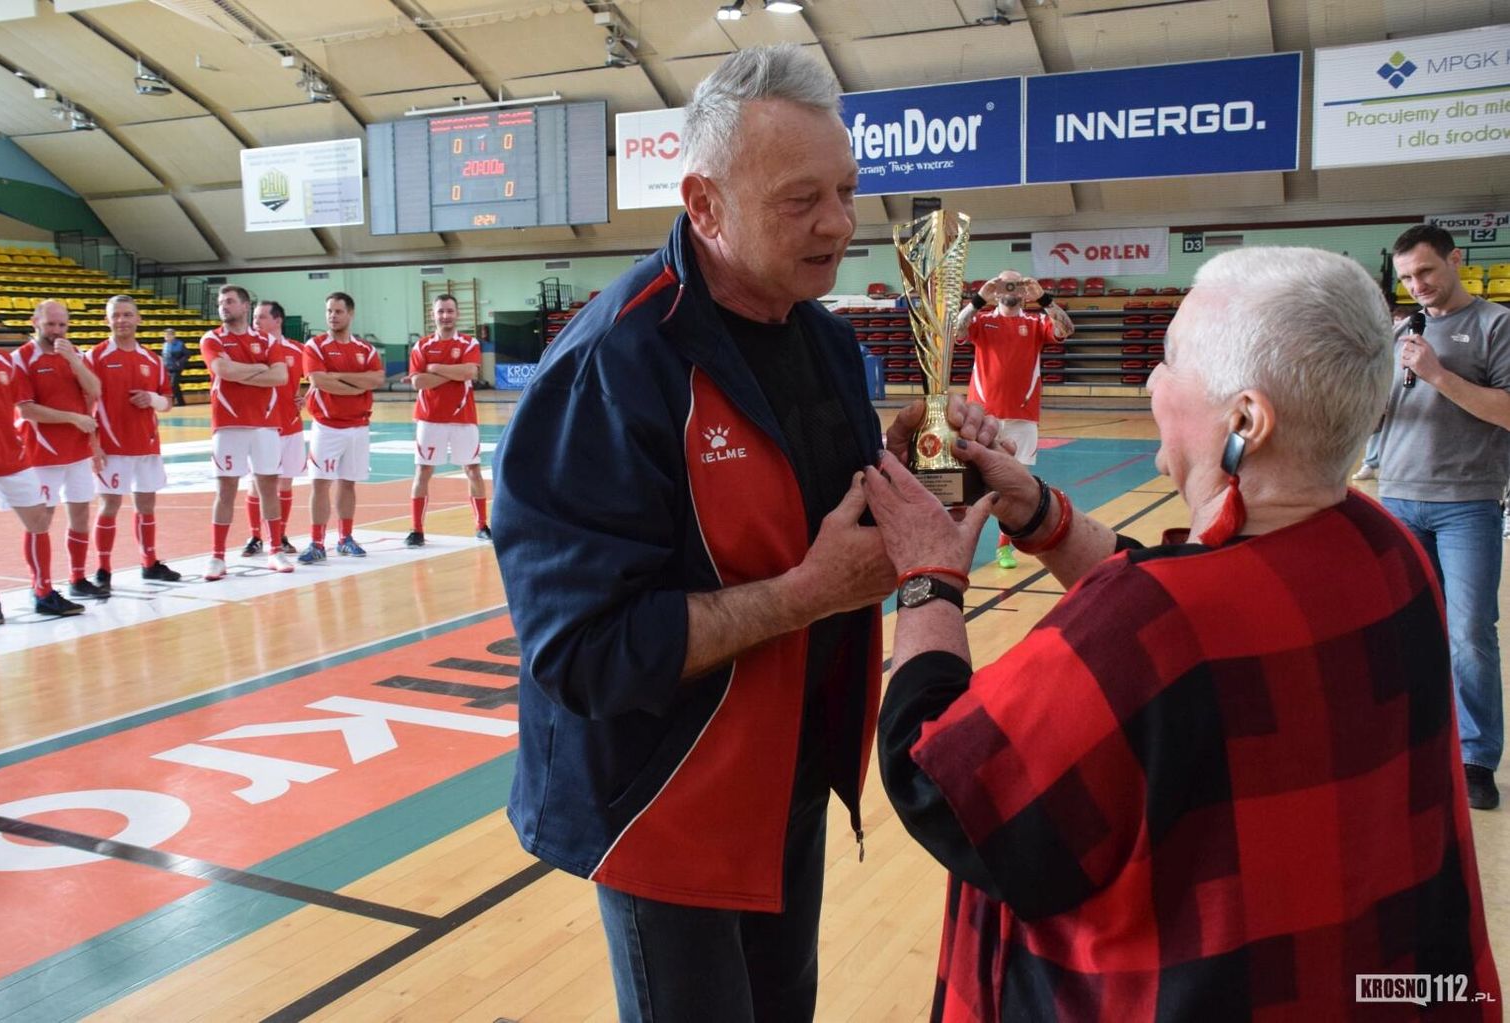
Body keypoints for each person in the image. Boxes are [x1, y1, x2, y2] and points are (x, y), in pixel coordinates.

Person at [492, 45, 999, 1021]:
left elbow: (824, 515)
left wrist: (911, 457)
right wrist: (807, 596)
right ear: (705, 203)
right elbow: (582, 653)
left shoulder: (826, 340)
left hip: (788, 781)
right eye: (801, 199)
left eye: (846, 192)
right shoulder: (609, 370)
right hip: (664, 801)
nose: (839, 224)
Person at [868, 247, 1500, 1020]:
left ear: (1245, 421)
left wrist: (928, 575)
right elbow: (1204, 599)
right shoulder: (1385, 545)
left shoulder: (1153, 625)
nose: (1150, 382)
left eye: (1169, 359)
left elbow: (936, 779)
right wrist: (1038, 510)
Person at [1380, 223, 1510, 811]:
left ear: (1455, 260)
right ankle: (1416, 738)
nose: (1417, 285)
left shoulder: (1495, 325)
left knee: (1470, 634)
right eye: (1407, 277)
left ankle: (1476, 756)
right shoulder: (1402, 330)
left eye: (1426, 271)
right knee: (1408, 629)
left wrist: (1438, 374)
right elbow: (1384, 411)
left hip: (1466, 503)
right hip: (1398, 497)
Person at [955, 270, 1073, 568]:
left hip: (1022, 418)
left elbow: (1067, 329)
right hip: (982, 416)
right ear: (995, 290)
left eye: (1017, 285)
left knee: (1015, 488)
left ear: (1024, 292)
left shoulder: (1036, 323)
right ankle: (956, 541)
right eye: (1004, 284)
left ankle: (1004, 547)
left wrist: (1043, 299)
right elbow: (955, 331)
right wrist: (978, 299)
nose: (1010, 289)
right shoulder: (982, 320)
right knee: (969, 483)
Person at [0, 296, 82, 621]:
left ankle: (43, 591)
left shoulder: (3, 361)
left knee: (39, 522)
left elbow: (16, 407)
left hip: (13, 459)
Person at [84, 295, 181, 587]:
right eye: (116, 315)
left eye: (127, 314)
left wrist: (151, 398)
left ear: (138, 318)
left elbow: (167, 402)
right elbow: (84, 404)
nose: (122, 320)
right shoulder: (95, 357)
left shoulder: (152, 359)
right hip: (112, 447)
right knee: (109, 505)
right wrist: (93, 446)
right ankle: (103, 569)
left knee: (146, 505)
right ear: (107, 320)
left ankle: (149, 563)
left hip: (146, 446)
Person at [13, 300, 107, 602]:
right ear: (35, 322)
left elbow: (95, 390)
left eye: (62, 325)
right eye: (50, 324)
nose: (56, 330)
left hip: (77, 451)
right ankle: (40, 586)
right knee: (41, 520)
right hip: (41, 453)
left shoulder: (75, 353)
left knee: (80, 512)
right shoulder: (22, 358)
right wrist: (72, 418)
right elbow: (27, 410)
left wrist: (75, 363)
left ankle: (77, 577)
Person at [201, 284, 290, 579]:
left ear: (244, 306)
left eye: (229, 301)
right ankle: (217, 556)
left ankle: (275, 550)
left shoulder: (266, 340)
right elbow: (223, 371)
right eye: (220, 302)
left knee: (268, 487)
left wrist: (241, 372)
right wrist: (261, 370)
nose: (223, 306)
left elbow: (280, 376)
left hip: (265, 424)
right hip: (228, 425)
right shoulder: (211, 338)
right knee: (225, 490)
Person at [297, 292, 382, 564]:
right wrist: (357, 385)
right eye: (329, 311)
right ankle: (317, 542)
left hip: (358, 426)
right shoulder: (315, 346)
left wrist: (340, 377)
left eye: (338, 311)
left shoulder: (365, 349)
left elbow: (377, 379)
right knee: (320, 483)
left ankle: (345, 539)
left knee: (348, 483)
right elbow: (320, 381)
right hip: (327, 426)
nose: (332, 316)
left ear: (350, 314)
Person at [405, 293, 490, 547]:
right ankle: (416, 530)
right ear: (433, 314)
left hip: (463, 418)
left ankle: (481, 525)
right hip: (430, 419)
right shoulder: (422, 346)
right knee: (423, 471)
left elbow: (470, 371)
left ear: (457, 314)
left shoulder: (469, 343)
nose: (446, 316)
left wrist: (435, 368)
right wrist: (454, 373)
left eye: (450, 311)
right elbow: (418, 382)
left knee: (472, 470)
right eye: (441, 311)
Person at [241, 300, 304, 559]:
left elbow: (317, 377)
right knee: (256, 483)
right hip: (260, 425)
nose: (256, 322)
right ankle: (256, 537)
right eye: (254, 317)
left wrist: (306, 396)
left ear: (278, 320)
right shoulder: (250, 349)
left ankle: (280, 535)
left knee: (285, 482)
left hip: (290, 425)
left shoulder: (298, 350)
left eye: (261, 317)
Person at [1352, 302, 1412, 481]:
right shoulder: (1383, 342)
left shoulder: (1413, 345)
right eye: (1395, 320)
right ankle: (1369, 464)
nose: (1397, 324)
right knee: (1376, 431)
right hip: (1383, 394)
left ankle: (1392, 467)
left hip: (1403, 396)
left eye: (1401, 321)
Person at [162, 327, 187, 407]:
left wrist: (179, 362)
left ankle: (177, 401)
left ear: (173, 336)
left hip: (176, 368)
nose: (165, 336)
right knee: (172, 386)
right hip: (167, 368)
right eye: (165, 334)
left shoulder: (180, 344)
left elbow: (187, 354)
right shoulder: (165, 344)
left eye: (167, 335)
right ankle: (180, 402)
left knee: (173, 384)